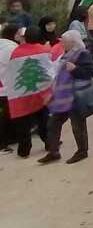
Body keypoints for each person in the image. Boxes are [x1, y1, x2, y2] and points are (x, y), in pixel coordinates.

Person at [37, 30, 93, 165]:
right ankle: (54, 152)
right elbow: (58, 76)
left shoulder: (83, 54)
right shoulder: (65, 55)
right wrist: (52, 93)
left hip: (75, 97)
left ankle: (82, 151)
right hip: (62, 98)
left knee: (78, 126)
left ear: (72, 42)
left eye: (63, 41)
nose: (61, 43)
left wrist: (75, 69)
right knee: (53, 124)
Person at [10, 26, 50, 158]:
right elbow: (50, 70)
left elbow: (12, 73)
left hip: (21, 93)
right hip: (41, 92)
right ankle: (49, 142)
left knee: (23, 125)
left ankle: (24, 150)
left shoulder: (15, 52)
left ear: (25, 37)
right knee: (44, 119)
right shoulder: (45, 50)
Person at [0, 23, 21, 152]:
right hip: (6, 87)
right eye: (18, 33)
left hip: (2, 86)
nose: (20, 35)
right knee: (5, 116)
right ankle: (3, 143)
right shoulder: (12, 48)